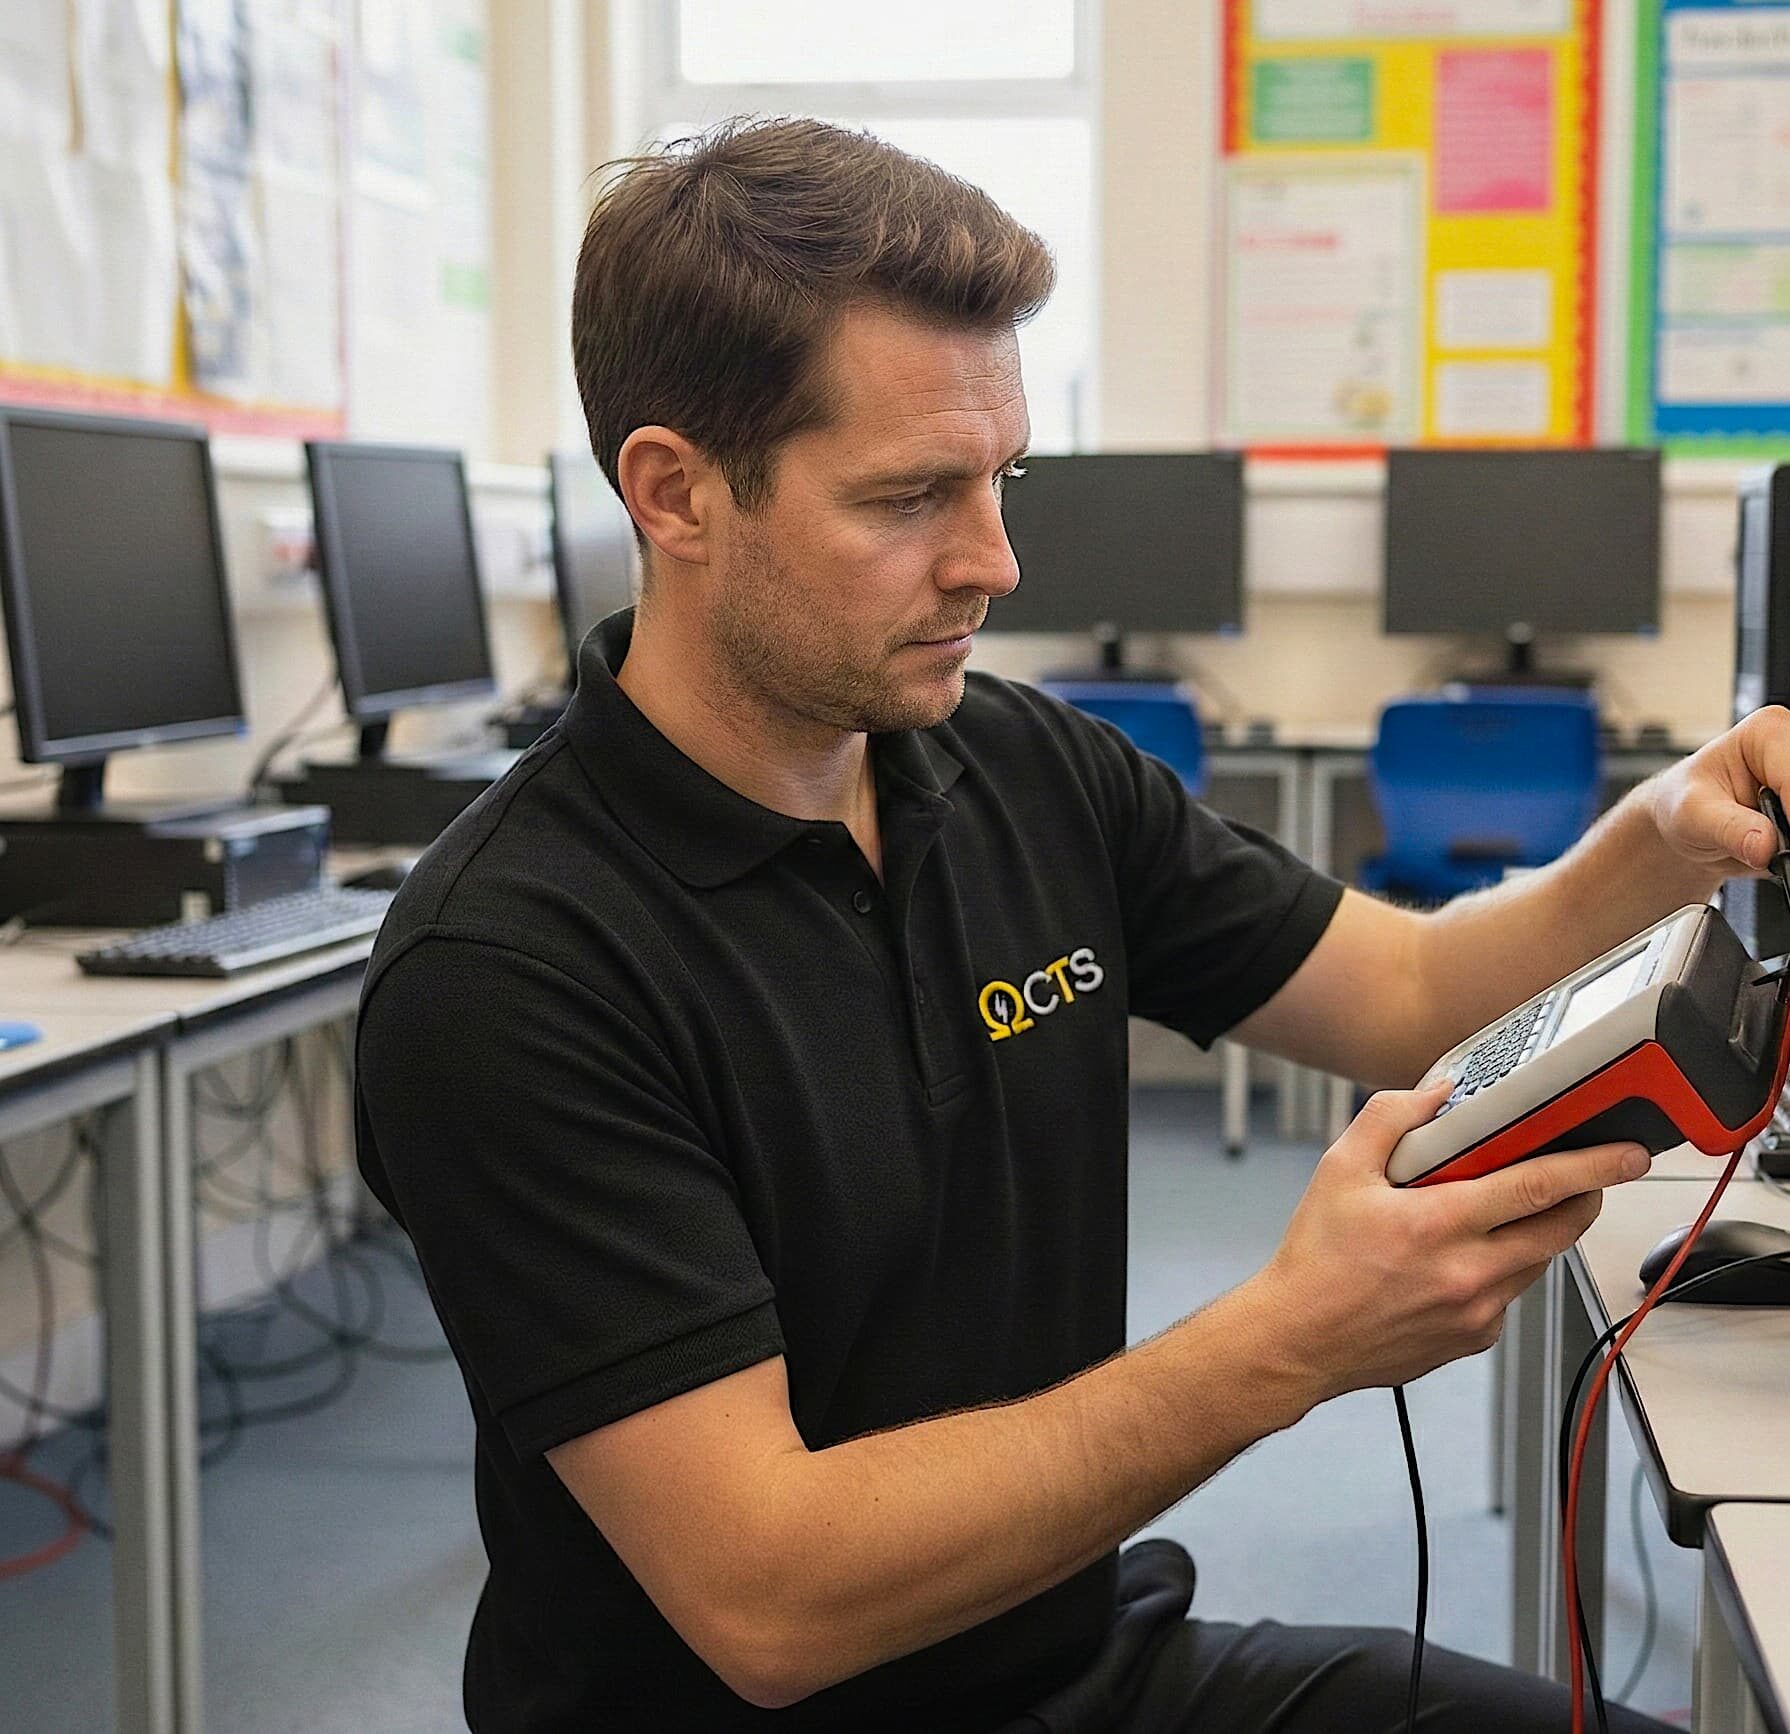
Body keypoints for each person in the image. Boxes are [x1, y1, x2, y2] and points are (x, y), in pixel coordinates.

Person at [355, 118, 1771, 1732]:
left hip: (1077, 1667)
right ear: (675, 494)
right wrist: (1287, 1341)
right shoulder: (511, 968)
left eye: (1001, 477)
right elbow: (771, 1593)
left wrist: (1663, 833)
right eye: (907, 498)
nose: (993, 560)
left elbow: (1401, 989)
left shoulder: (1022, 767)